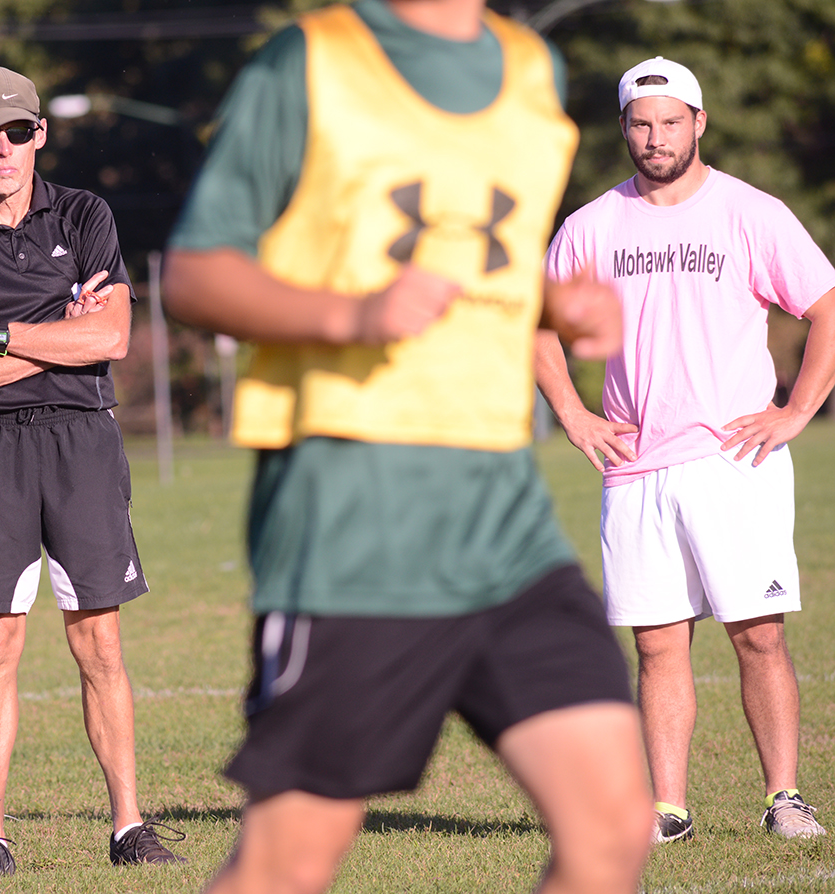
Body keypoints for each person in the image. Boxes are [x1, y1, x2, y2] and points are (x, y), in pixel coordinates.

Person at [160, 1, 655, 891]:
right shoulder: (309, 61)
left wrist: (555, 308)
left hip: (507, 524)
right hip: (355, 522)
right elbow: (196, 275)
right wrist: (352, 315)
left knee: (614, 831)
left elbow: (482, 263)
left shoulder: (532, 66)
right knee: (286, 866)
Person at [534, 56, 835, 843]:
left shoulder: (749, 212)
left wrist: (799, 407)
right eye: (641, 122)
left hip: (735, 462)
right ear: (624, 127)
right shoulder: (593, 225)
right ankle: (668, 809)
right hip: (634, 468)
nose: (655, 136)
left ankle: (785, 798)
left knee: (758, 634)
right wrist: (571, 410)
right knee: (659, 645)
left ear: (699, 123)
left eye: (671, 121)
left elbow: (825, 302)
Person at [0, 66, 184, 877]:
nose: (3, 149)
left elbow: (110, 342)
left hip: (81, 443)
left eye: (17, 132)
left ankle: (129, 826)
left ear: (39, 135)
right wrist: (45, 332)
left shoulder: (86, 216)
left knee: (99, 640)